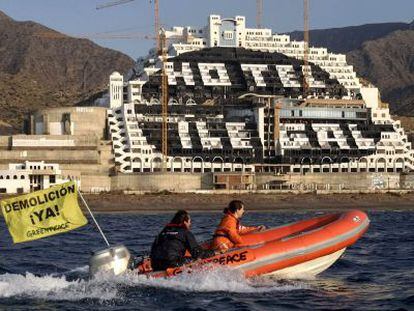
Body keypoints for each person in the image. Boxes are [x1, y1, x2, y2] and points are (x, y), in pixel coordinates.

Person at [150, 210, 217, 271]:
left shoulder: (163, 231)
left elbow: (153, 249)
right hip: (172, 264)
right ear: (185, 222)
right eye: (190, 221)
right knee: (197, 260)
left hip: (155, 265)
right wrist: (213, 253)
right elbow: (197, 253)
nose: (190, 224)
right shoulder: (185, 233)